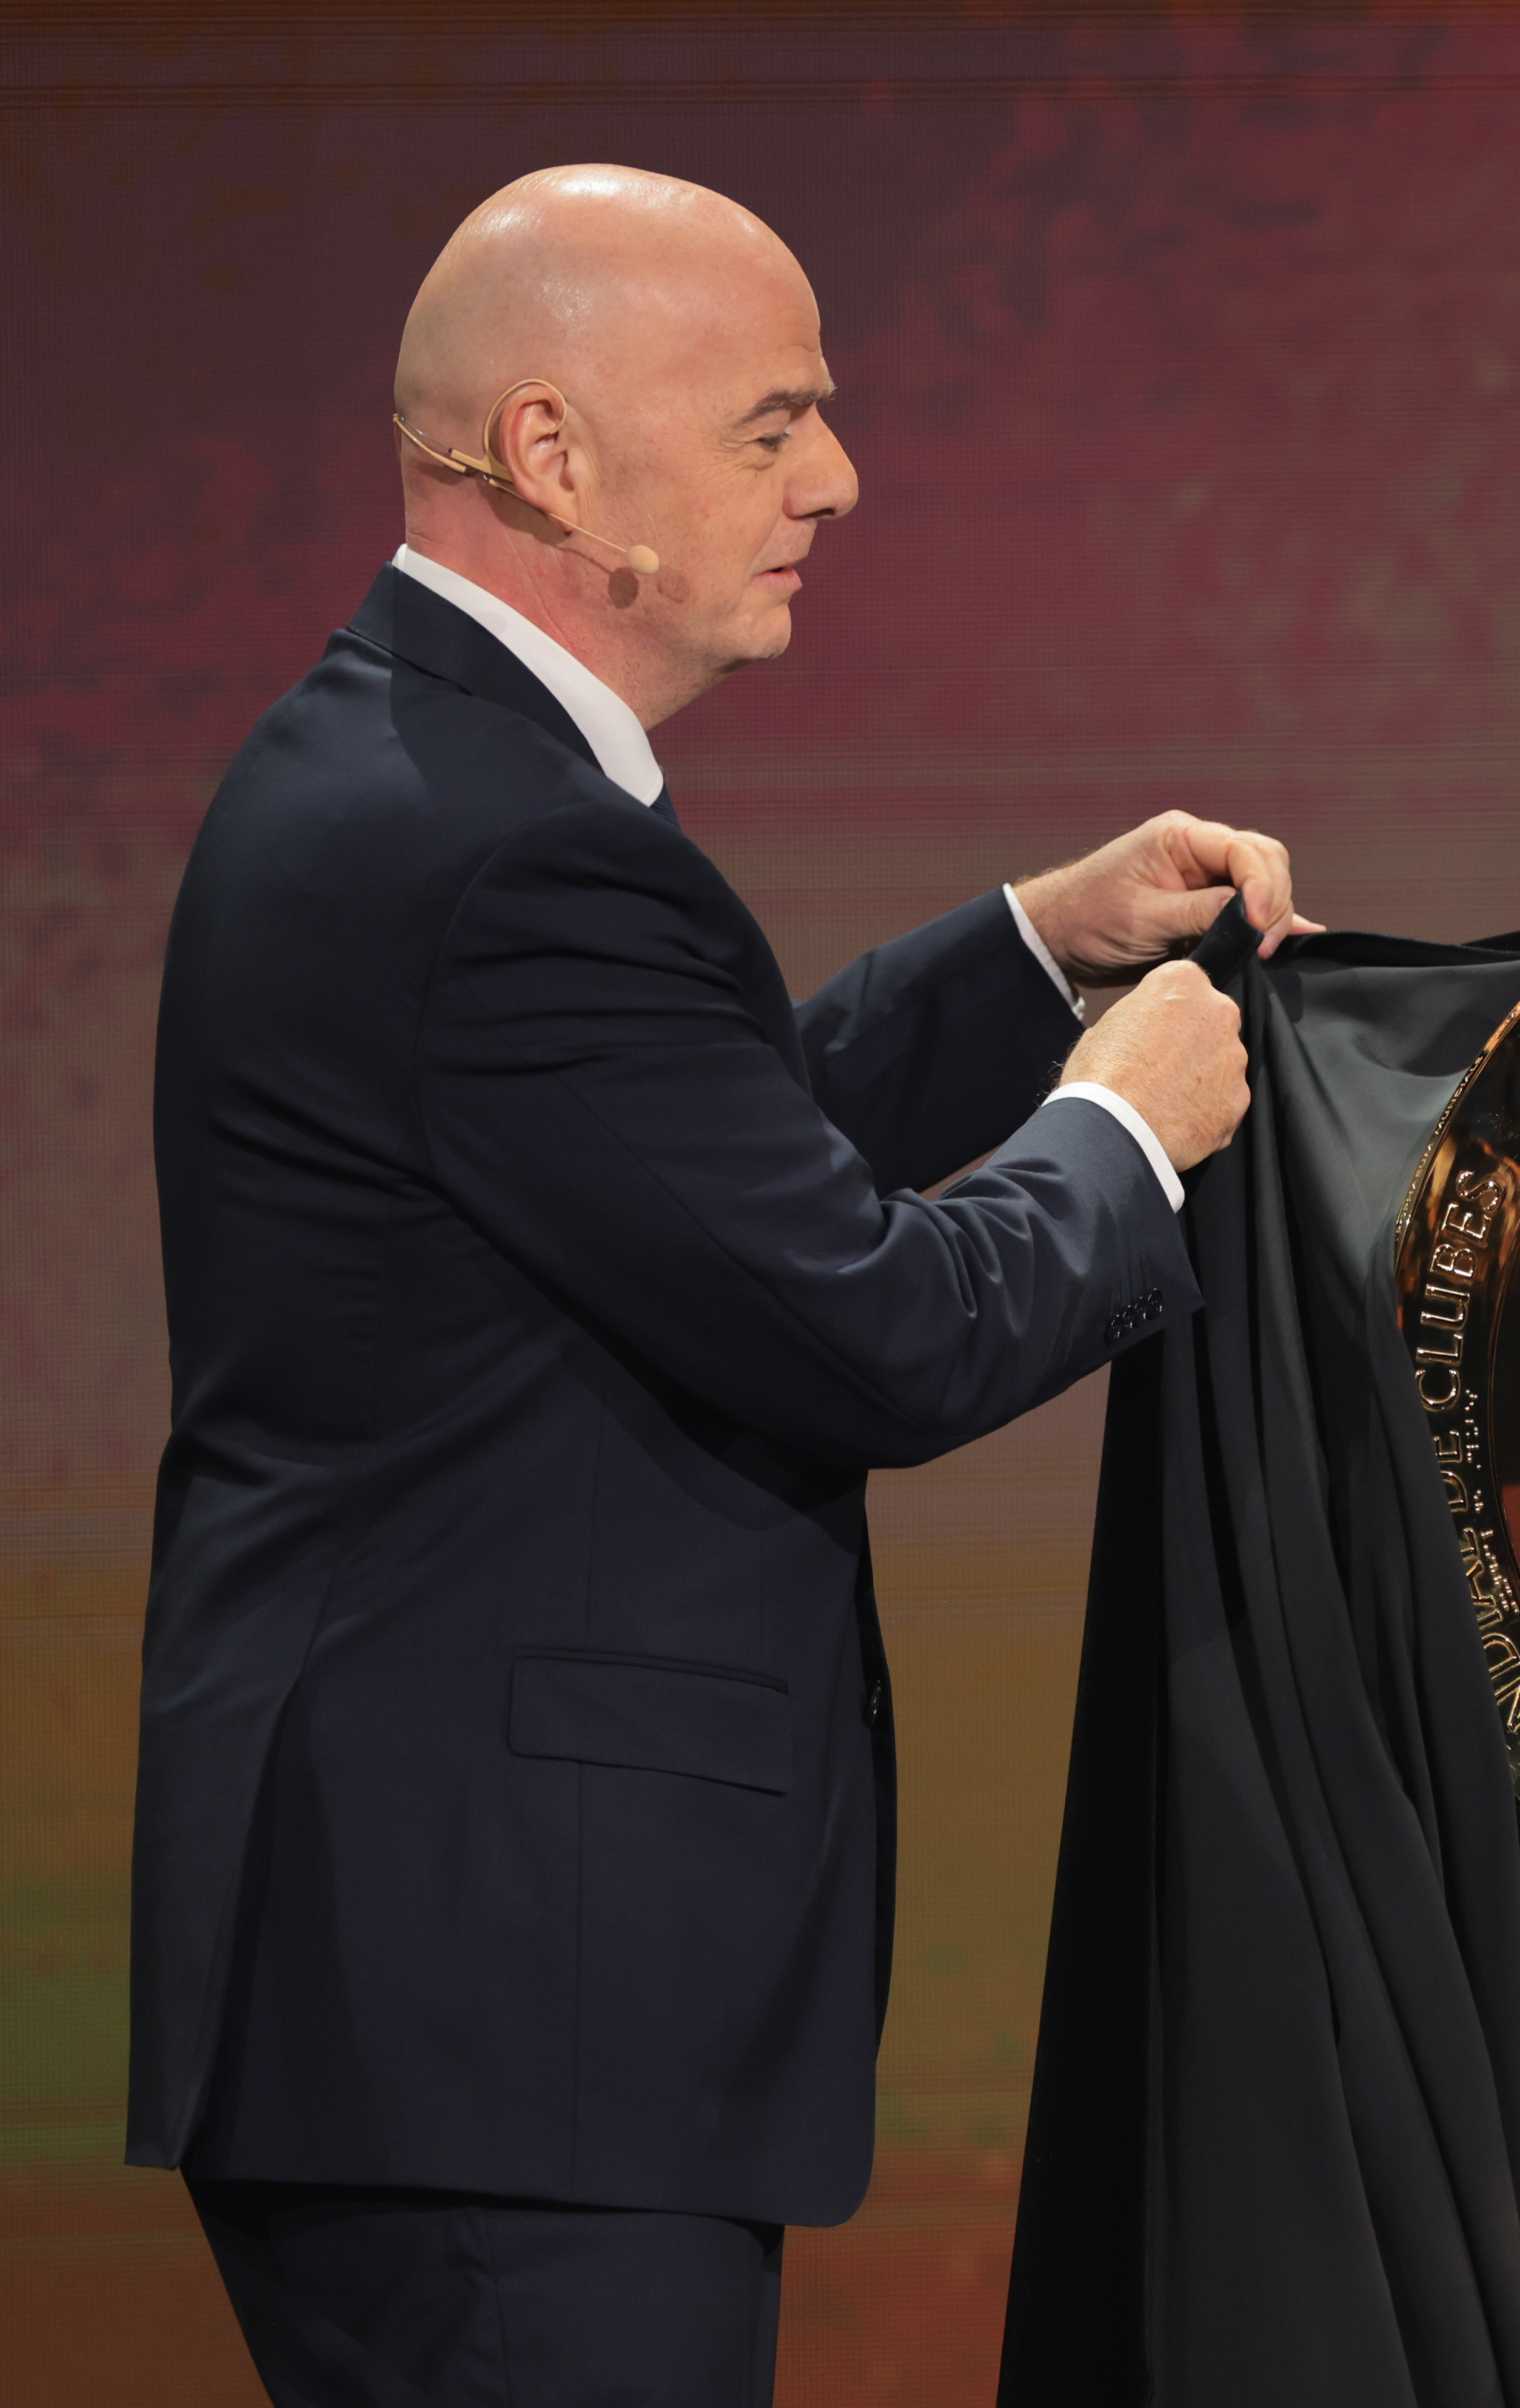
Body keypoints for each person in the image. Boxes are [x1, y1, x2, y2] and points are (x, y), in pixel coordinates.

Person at [131, 164, 1306, 2407]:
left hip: (456, 2013)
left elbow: (681, 1165)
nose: (839, 482)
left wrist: (1034, 954)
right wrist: (1125, 1125)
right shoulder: (506, 847)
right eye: (776, 427)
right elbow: (880, 1326)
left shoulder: (406, 774)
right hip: (503, 2030)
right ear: (555, 458)